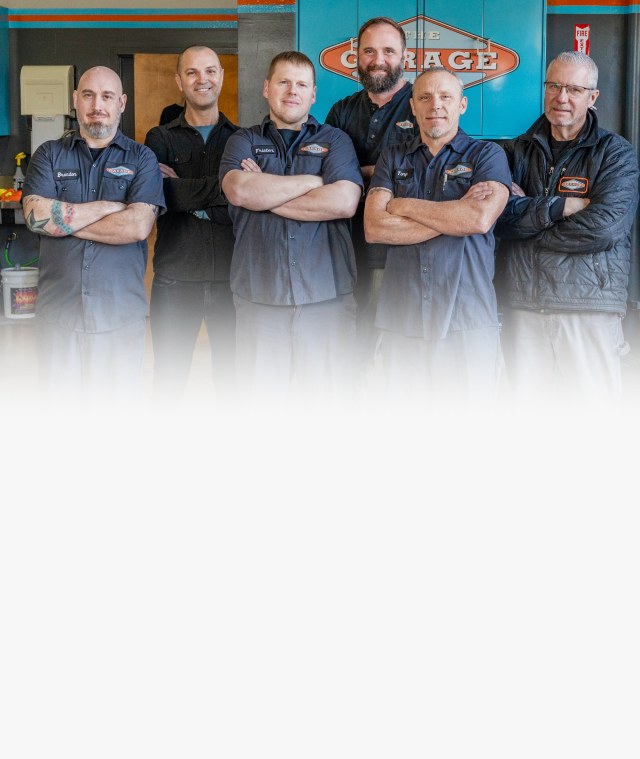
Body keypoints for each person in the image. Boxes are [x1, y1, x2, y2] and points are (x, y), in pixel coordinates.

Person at [495, 51, 639, 408]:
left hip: (588, 305)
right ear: (544, 89)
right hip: (523, 302)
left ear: (592, 97)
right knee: (527, 420)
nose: (562, 97)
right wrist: (563, 207)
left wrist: (528, 223)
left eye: (574, 89)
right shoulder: (514, 152)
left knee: (593, 421)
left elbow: (604, 229)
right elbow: (498, 218)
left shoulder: (615, 154)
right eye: (555, 86)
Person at [220, 51, 362, 404]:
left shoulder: (337, 140)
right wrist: (315, 181)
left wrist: (264, 192)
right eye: (283, 82)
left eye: (301, 84)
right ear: (267, 88)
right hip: (259, 298)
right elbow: (238, 190)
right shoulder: (242, 140)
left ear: (313, 94)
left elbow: (344, 201)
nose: (292, 91)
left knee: (328, 407)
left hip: (326, 299)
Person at [364, 67, 510, 407]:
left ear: (462, 105)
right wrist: (453, 213)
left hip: (468, 316)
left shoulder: (487, 156)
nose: (436, 105)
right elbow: (375, 227)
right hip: (403, 316)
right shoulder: (392, 157)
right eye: (425, 97)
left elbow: (479, 218)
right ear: (412, 106)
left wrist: (402, 205)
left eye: (446, 96)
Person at [22, 66, 165, 407]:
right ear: (75, 100)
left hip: (119, 319)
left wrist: (63, 220)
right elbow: (34, 216)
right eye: (88, 95)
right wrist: (109, 207)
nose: (97, 104)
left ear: (122, 103)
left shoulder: (142, 158)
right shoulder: (48, 154)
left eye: (107, 96)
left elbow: (137, 227)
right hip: (59, 318)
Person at [325, 16, 419, 383]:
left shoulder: (423, 103)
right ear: (356, 56)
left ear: (405, 57)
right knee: (351, 350)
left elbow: (422, 173)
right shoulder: (341, 110)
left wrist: (356, 174)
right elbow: (329, 175)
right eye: (369, 51)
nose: (378, 59)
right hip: (345, 249)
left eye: (388, 51)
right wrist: (383, 172)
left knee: (397, 356)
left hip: (400, 254)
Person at [145, 46, 238, 402]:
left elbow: (247, 202)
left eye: (210, 71)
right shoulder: (160, 138)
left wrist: (187, 197)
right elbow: (163, 197)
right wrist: (223, 191)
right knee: (167, 383)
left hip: (232, 280)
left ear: (221, 76)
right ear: (179, 82)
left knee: (233, 384)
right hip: (175, 280)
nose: (203, 80)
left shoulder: (242, 138)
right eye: (192, 73)